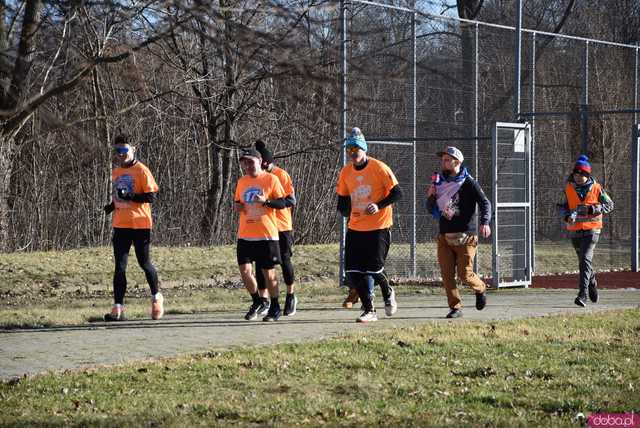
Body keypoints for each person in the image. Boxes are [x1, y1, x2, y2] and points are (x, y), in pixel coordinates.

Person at [336, 127, 402, 323]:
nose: (353, 153)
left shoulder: (379, 168)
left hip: (379, 227)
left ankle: (387, 290)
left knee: (373, 270)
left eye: (356, 148)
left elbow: (397, 193)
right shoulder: (346, 172)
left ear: (364, 149)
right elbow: (342, 200)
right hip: (356, 228)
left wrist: (378, 205)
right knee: (353, 272)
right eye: (350, 149)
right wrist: (345, 211)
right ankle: (369, 310)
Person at [103, 135, 163, 321]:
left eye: (124, 151)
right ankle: (118, 308)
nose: (120, 155)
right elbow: (119, 195)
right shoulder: (116, 172)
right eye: (117, 151)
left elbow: (151, 197)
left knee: (144, 264)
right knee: (119, 267)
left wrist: (131, 196)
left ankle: (157, 298)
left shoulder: (142, 171)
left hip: (140, 225)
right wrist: (112, 206)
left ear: (133, 149)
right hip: (121, 225)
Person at [426, 146, 490, 319]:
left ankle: (480, 288)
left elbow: (485, 202)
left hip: (466, 236)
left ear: (457, 162)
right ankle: (455, 307)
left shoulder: (468, 182)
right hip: (445, 236)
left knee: (464, 274)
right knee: (447, 275)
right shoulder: (439, 182)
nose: (443, 162)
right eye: (443, 159)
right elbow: (430, 208)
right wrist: (431, 196)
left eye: (447, 159)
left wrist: (485, 222)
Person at [234, 147, 287, 322]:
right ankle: (258, 301)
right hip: (245, 234)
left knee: (268, 273)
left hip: (266, 235)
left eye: (251, 162)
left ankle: (275, 305)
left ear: (259, 161)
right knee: (245, 272)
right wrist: (237, 207)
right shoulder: (242, 182)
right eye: (245, 163)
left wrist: (266, 201)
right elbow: (237, 203)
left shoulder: (271, 179)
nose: (248, 165)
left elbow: (283, 203)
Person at [558, 155, 614, 307]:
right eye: (575, 173)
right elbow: (563, 207)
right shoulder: (568, 187)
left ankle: (582, 295)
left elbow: (609, 205)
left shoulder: (597, 188)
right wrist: (567, 216)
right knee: (584, 262)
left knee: (584, 260)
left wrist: (592, 208)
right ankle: (592, 282)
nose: (577, 176)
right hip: (575, 231)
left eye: (581, 174)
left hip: (592, 230)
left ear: (587, 175)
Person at [254, 140, 298, 316]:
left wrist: (270, 203)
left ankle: (290, 295)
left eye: (263, 164)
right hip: (263, 227)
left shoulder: (281, 175)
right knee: (261, 264)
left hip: (281, 225)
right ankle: (264, 300)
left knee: (285, 260)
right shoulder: (255, 177)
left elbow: (291, 200)